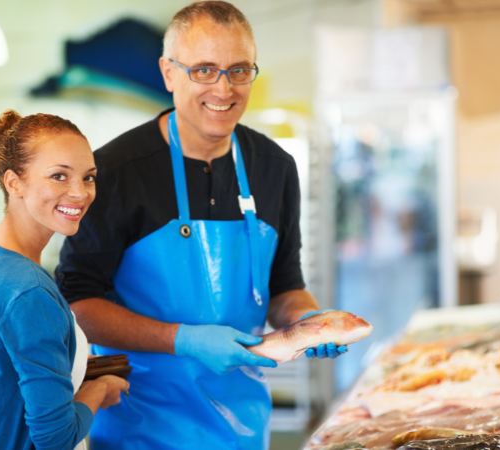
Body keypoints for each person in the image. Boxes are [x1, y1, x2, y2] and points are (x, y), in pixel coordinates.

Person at [56, 2, 346, 449]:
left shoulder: (276, 167)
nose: (224, 88)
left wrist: (308, 320)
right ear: (168, 73)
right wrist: (184, 340)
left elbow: (285, 284)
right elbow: (79, 304)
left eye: (239, 70)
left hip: (243, 427)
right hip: (140, 427)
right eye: (204, 70)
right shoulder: (115, 171)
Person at [0, 110, 129, 450]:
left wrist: (60, 371)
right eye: (59, 176)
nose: (80, 193)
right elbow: (55, 438)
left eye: (88, 177)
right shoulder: (29, 291)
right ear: (13, 182)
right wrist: (97, 390)